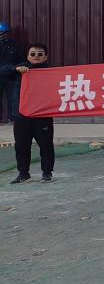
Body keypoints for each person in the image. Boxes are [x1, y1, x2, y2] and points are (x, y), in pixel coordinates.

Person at [10, 43, 55, 184]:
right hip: (21, 116)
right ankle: (23, 174)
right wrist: (15, 69)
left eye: (40, 54)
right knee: (21, 147)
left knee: (46, 146)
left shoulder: (52, 73)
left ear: (45, 57)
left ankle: (47, 173)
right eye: (33, 54)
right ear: (28, 56)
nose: (36, 56)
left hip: (42, 116)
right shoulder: (20, 70)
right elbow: (2, 71)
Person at [0, 22, 23, 124]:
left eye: (4, 33)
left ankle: (14, 119)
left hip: (11, 76)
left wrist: (17, 68)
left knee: (13, 98)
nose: (2, 35)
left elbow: (21, 60)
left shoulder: (14, 45)